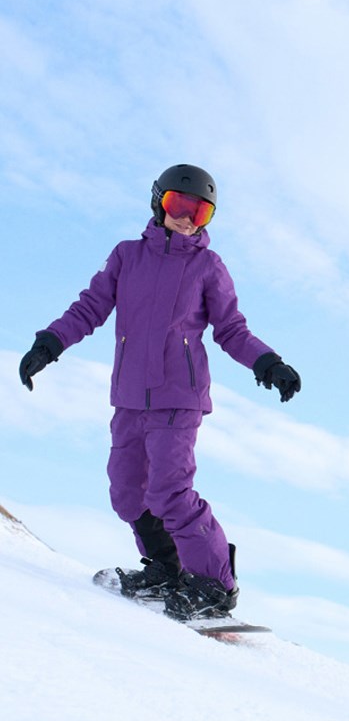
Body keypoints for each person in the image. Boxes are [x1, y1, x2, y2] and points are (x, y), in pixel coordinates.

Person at [19, 163, 301, 623]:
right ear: (158, 203)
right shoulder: (127, 256)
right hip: (129, 395)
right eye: (178, 205)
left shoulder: (207, 267)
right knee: (128, 493)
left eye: (200, 211)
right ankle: (167, 571)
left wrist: (268, 363)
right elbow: (89, 307)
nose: (187, 218)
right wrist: (49, 344)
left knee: (170, 490)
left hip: (179, 395)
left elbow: (231, 328)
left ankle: (213, 584)